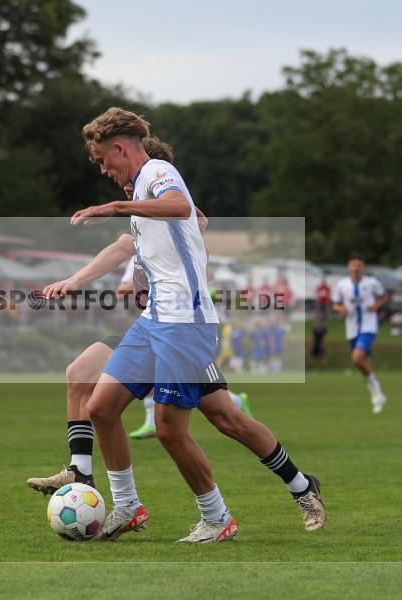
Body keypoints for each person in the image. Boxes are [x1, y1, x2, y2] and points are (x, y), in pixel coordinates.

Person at [45, 108, 323, 543]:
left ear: (120, 148)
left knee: (177, 429)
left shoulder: (157, 171)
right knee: (100, 407)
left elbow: (179, 206)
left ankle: (219, 518)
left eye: (103, 160)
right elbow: (129, 244)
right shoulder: (140, 198)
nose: (103, 170)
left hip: (186, 323)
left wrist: (117, 206)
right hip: (155, 319)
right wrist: (75, 281)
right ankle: (127, 506)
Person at [331, 251, 389, 414]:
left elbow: (384, 296)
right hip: (351, 329)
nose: (356, 268)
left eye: (359, 265)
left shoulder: (371, 283)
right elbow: (335, 305)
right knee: (363, 363)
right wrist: (342, 309)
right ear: (348, 267)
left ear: (363, 267)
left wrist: (376, 306)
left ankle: (376, 387)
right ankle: (377, 394)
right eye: (353, 264)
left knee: (357, 359)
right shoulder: (342, 285)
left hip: (368, 327)